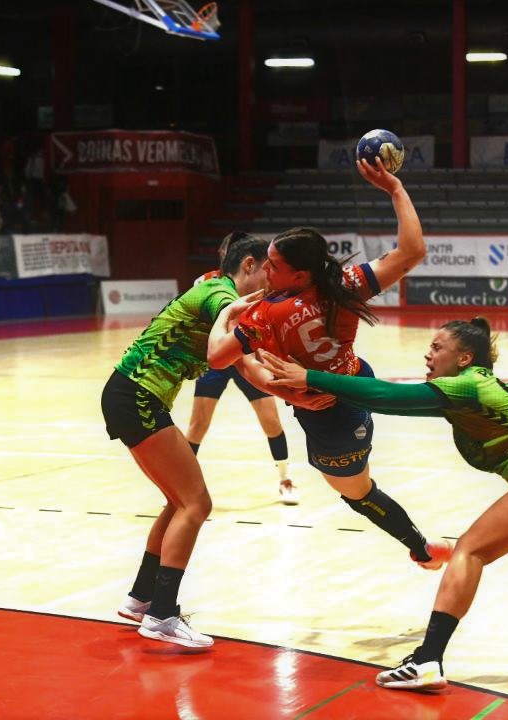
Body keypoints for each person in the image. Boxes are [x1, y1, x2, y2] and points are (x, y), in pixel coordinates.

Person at [259, 317, 508, 691]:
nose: (428, 354)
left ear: (464, 358)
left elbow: (386, 396)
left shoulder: (468, 384)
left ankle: (427, 660)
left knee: (472, 550)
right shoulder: (465, 395)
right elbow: (391, 402)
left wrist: (310, 377)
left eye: (437, 347)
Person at [207, 157, 450, 571]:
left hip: (328, 416)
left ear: (300, 276)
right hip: (355, 379)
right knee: (360, 475)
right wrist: (395, 189)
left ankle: (421, 550)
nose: (265, 268)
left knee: (360, 495)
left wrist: (226, 315)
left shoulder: (266, 314)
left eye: (274, 265)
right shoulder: (344, 283)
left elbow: (218, 357)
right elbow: (413, 252)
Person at [102, 234, 331, 649]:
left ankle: (141, 598)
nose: (272, 276)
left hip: (131, 395)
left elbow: (245, 365)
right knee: (196, 504)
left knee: (178, 502)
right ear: (248, 265)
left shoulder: (225, 296)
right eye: (267, 268)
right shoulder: (218, 293)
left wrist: (295, 394)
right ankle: (162, 614)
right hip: (136, 395)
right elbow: (236, 338)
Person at [188, 233, 297, 505]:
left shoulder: (259, 281)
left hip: (245, 354)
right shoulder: (206, 282)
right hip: (216, 358)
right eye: (225, 249)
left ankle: (285, 479)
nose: (226, 253)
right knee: (198, 425)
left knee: (271, 421)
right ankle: (181, 486)